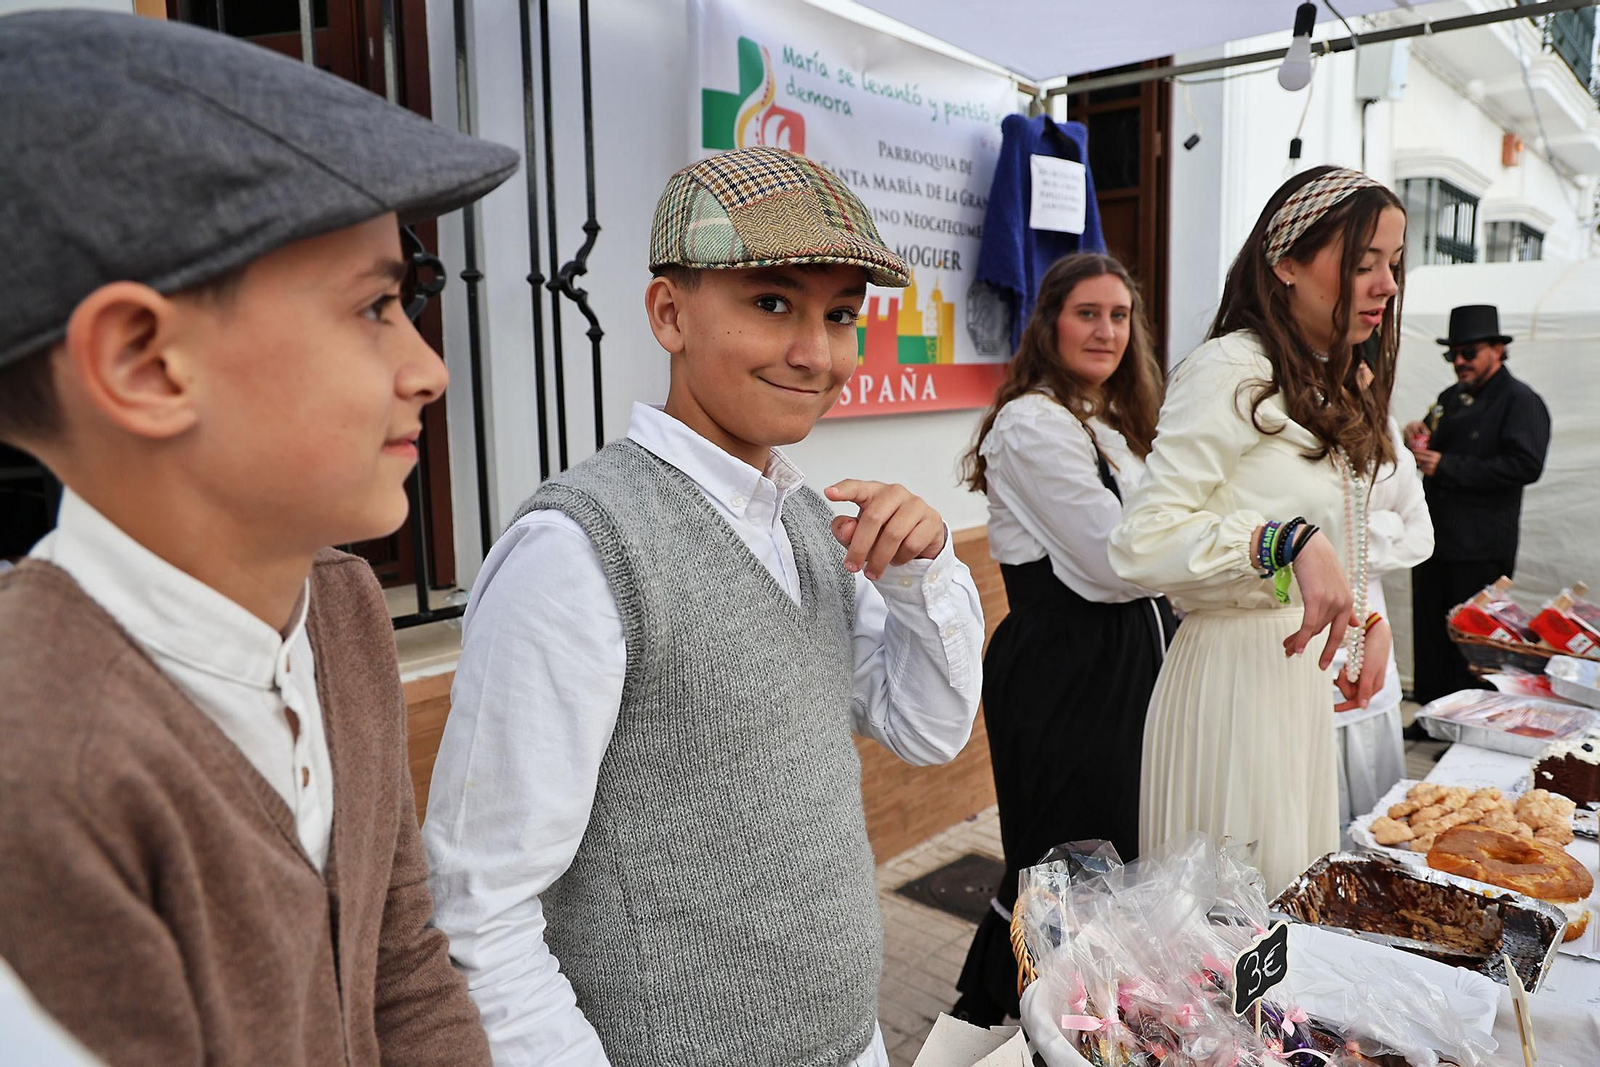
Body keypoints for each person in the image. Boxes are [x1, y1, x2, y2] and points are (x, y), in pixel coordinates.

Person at [0, 12, 517, 1064]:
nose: (428, 369)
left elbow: (402, 964)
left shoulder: (337, 601)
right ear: (145, 362)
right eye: (375, 306)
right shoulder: (42, 765)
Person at [422, 146, 985, 1067]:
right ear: (669, 313)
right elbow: (478, 906)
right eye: (773, 303)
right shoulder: (579, 549)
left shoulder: (812, 522)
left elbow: (927, 729)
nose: (817, 353)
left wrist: (926, 575)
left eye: (841, 315)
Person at [1109, 166, 1406, 893]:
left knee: (1284, 911)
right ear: (1286, 264)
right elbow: (1141, 540)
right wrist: (1284, 540)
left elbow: (1336, 535)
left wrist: (1364, 615)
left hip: (1294, 686)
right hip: (1232, 686)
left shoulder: (1318, 380)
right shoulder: (1229, 370)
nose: (1385, 285)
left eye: (1393, 265)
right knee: (1231, 928)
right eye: (1363, 263)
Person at [950, 253, 1173, 1025]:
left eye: (1119, 314)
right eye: (1087, 312)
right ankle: (1014, 1023)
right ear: (1048, 324)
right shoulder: (1031, 422)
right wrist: (1185, 553)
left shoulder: (1112, 423)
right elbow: (1117, 560)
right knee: (1059, 874)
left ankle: (1092, 1023)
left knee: (1114, 868)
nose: (1106, 329)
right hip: (1065, 673)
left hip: (1127, 666)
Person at [1403, 304, 1550, 704]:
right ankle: (1432, 712)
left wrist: (1448, 466)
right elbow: (1432, 438)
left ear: (1498, 350)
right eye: (1453, 354)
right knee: (1432, 632)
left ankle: (1466, 719)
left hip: (1481, 545)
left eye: (1470, 352)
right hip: (1437, 537)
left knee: (1473, 641)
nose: (1460, 362)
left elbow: (1525, 464)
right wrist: (1416, 434)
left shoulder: (1520, 400)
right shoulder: (1450, 397)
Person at [1331, 353, 1434, 825]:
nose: (1363, 375)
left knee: (1376, 804)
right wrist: (1377, 528)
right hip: (1310, 636)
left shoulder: (1385, 430)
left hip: (1374, 634)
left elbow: (1421, 536)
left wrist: (1357, 543)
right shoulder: (1287, 426)